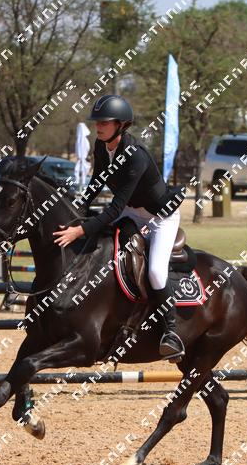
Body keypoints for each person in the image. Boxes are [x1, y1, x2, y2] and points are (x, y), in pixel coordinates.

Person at [53, 94, 186, 361]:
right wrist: (79, 210)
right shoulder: (101, 146)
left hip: (159, 218)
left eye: (104, 122)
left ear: (121, 125)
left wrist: (81, 230)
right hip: (130, 211)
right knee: (102, 246)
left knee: (155, 271)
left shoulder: (136, 156)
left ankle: (171, 332)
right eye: (97, 122)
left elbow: (114, 208)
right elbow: (96, 182)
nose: (98, 127)